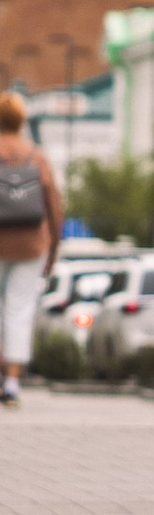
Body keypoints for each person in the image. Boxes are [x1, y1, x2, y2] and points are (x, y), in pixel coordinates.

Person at [0, 93, 65, 408]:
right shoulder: (36, 155)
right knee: (19, 309)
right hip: (31, 243)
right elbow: (54, 203)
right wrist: (53, 248)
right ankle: (12, 383)